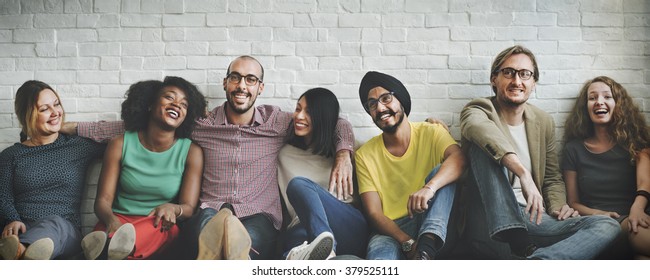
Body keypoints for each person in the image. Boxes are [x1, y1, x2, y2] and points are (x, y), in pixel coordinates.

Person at [64, 55, 354, 260]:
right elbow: (133, 126)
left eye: (250, 79)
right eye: (236, 78)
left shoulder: (277, 122)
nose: (242, 85)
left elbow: (334, 121)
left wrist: (343, 153)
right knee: (207, 234)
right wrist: (70, 127)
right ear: (225, 83)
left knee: (249, 242)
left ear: (260, 88)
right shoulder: (202, 124)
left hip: (259, 214)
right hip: (210, 209)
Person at [459, 45, 620, 259]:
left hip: (534, 219)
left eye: (525, 74)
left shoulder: (543, 121)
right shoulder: (478, 110)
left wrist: (558, 207)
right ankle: (514, 235)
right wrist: (522, 172)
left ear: (533, 83)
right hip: (490, 225)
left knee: (608, 225)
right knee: (482, 149)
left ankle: (541, 263)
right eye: (508, 72)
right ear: (493, 79)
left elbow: (552, 177)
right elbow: (477, 129)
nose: (517, 81)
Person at [80, 77, 205, 260]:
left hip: (157, 223)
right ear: (150, 105)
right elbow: (102, 201)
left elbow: (189, 207)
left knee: (122, 244)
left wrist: (173, 208)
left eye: (184, 104)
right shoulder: (120, 144)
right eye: (169, 97)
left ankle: (104, 250)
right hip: (117, 221)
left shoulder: (191, 152)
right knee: (116, 241)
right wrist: (111, 221)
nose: (177, 105)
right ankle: (109, 247)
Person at [355, 71, 466, 260]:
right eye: (372, 104)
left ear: (401, 100)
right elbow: (374, 212)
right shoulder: (364, 155)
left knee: (442, 171)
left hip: (433, 222)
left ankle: (427, 247)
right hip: (389, 231)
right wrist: (406, 241)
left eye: (386, 98)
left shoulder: (432, 132)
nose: (380, 108)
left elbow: (460, 159)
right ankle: (422, 254)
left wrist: (429, 188)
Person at [0, 81, 104, 260]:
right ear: (28, 116)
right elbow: (3, 196)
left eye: (56, 104)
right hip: (24, 228)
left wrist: (75, 128)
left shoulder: (78, 146)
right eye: (44, 109)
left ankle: (20, 252)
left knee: (54, 223)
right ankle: (25, 252)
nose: (55, 112)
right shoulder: (11, 155)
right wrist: (12, 219)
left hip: (65, 231)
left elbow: (126, 133)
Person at [562, 76, 650, 259]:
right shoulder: (573, 149)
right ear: (585, 107)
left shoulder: (635, 141)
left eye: (607, 97)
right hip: (599, 225)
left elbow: (645, 182)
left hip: (635, 216)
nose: (599, 102)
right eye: (592, 98)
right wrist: (599, 214)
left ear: (618, 103)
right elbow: (573, 202)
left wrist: (637, 209)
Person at [278, 88, 368, 260]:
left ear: (324, 117)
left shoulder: (350, 149)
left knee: (299, 185)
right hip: (303, 226)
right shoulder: (283, 154)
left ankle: (328, 248)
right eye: (298, 109)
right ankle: (319, 256)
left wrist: (431, 124)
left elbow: (386, 146)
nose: (299, 116)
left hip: (347, 224)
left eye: (309, 112)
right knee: (291, 252)